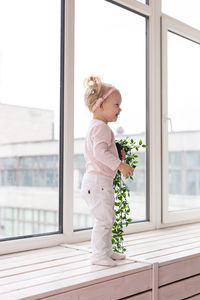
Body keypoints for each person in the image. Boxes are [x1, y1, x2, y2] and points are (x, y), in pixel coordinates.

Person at [81, 76, 134, 267]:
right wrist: (120, 165)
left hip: (96, 182)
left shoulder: (96, 127)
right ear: (101, 105)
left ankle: (105, 251)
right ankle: (98, 254)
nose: (120, 109)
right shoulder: (101, 128)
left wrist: (117, 153)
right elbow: (99, 153)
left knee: (105, 218)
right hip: (98, 182)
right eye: (117, 105)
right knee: (103, 219)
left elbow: (100, 152)